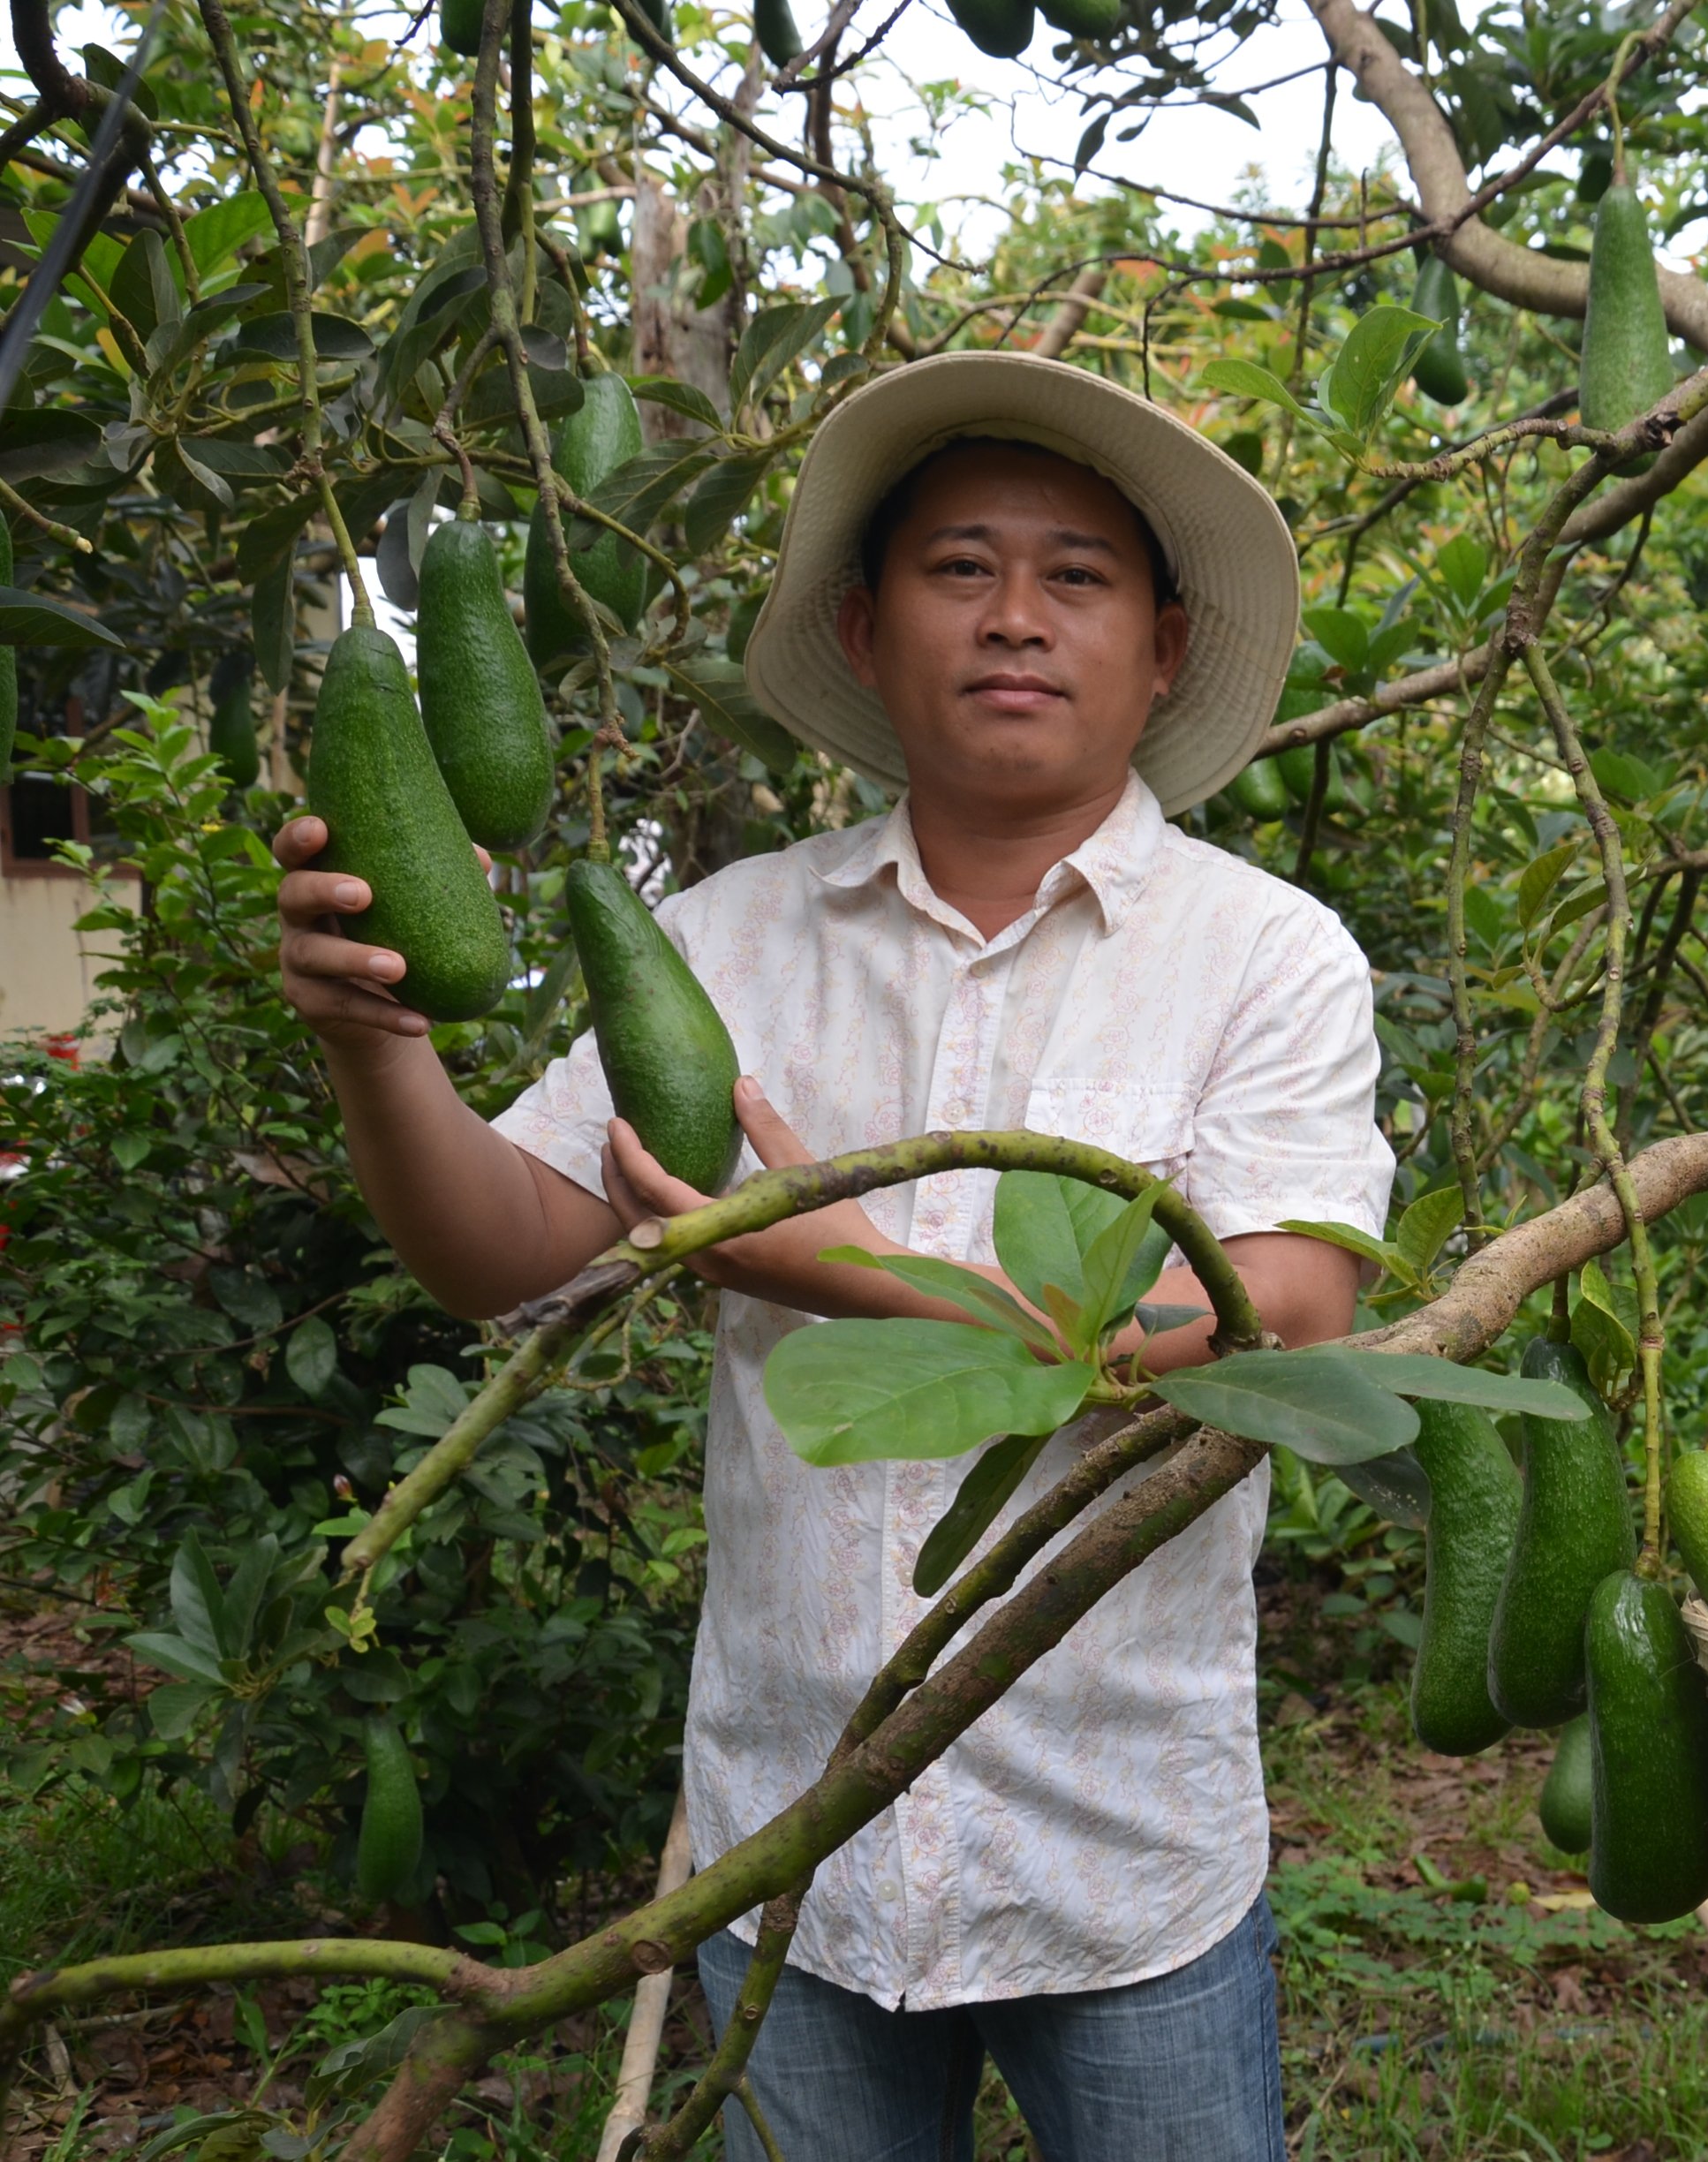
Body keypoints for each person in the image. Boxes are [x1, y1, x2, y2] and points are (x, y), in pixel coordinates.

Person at [274, 352, 1391, 2162]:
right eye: (960, 569)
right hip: (791, 1838)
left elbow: (1280, 1315)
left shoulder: (1267, 960)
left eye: (1076, 576)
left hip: (1126, 1853)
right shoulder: (723, 944)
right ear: (866, 633)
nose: (1015, 618)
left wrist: (847, 1269)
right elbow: (505, 1250)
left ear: (1165, 648)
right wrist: (373, 1044)